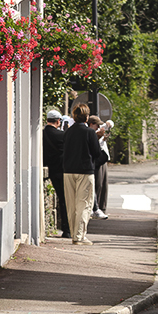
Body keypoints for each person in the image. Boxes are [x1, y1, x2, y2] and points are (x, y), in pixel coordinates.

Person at [62, 104, 101, 244]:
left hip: (68, 170)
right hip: (85, 171)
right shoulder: (89, 132)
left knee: (71, 205)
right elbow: (96, 152)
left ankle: (74, 234)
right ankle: (79, 236)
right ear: (86, 116)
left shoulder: (68, 132)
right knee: (84, 204)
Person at [43, 109, 71, 238]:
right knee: (65, 200)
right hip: (62, 170)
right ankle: (67, 229)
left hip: (51, 170)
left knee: (61, 198)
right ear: (58, 121)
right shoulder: (62, 136)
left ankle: (66, 228)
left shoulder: (42, 134)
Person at [87, 114, 112, 218]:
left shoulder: (95, 131)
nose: (98, 128)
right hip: (93, 161)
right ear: (91, 124)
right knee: (96, 185)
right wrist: (99, 138)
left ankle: (99, 207)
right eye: (96, 125)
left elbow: (110, 124)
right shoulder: (90, 133)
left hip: (100, 159)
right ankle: (94, 208)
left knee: (101, 185)